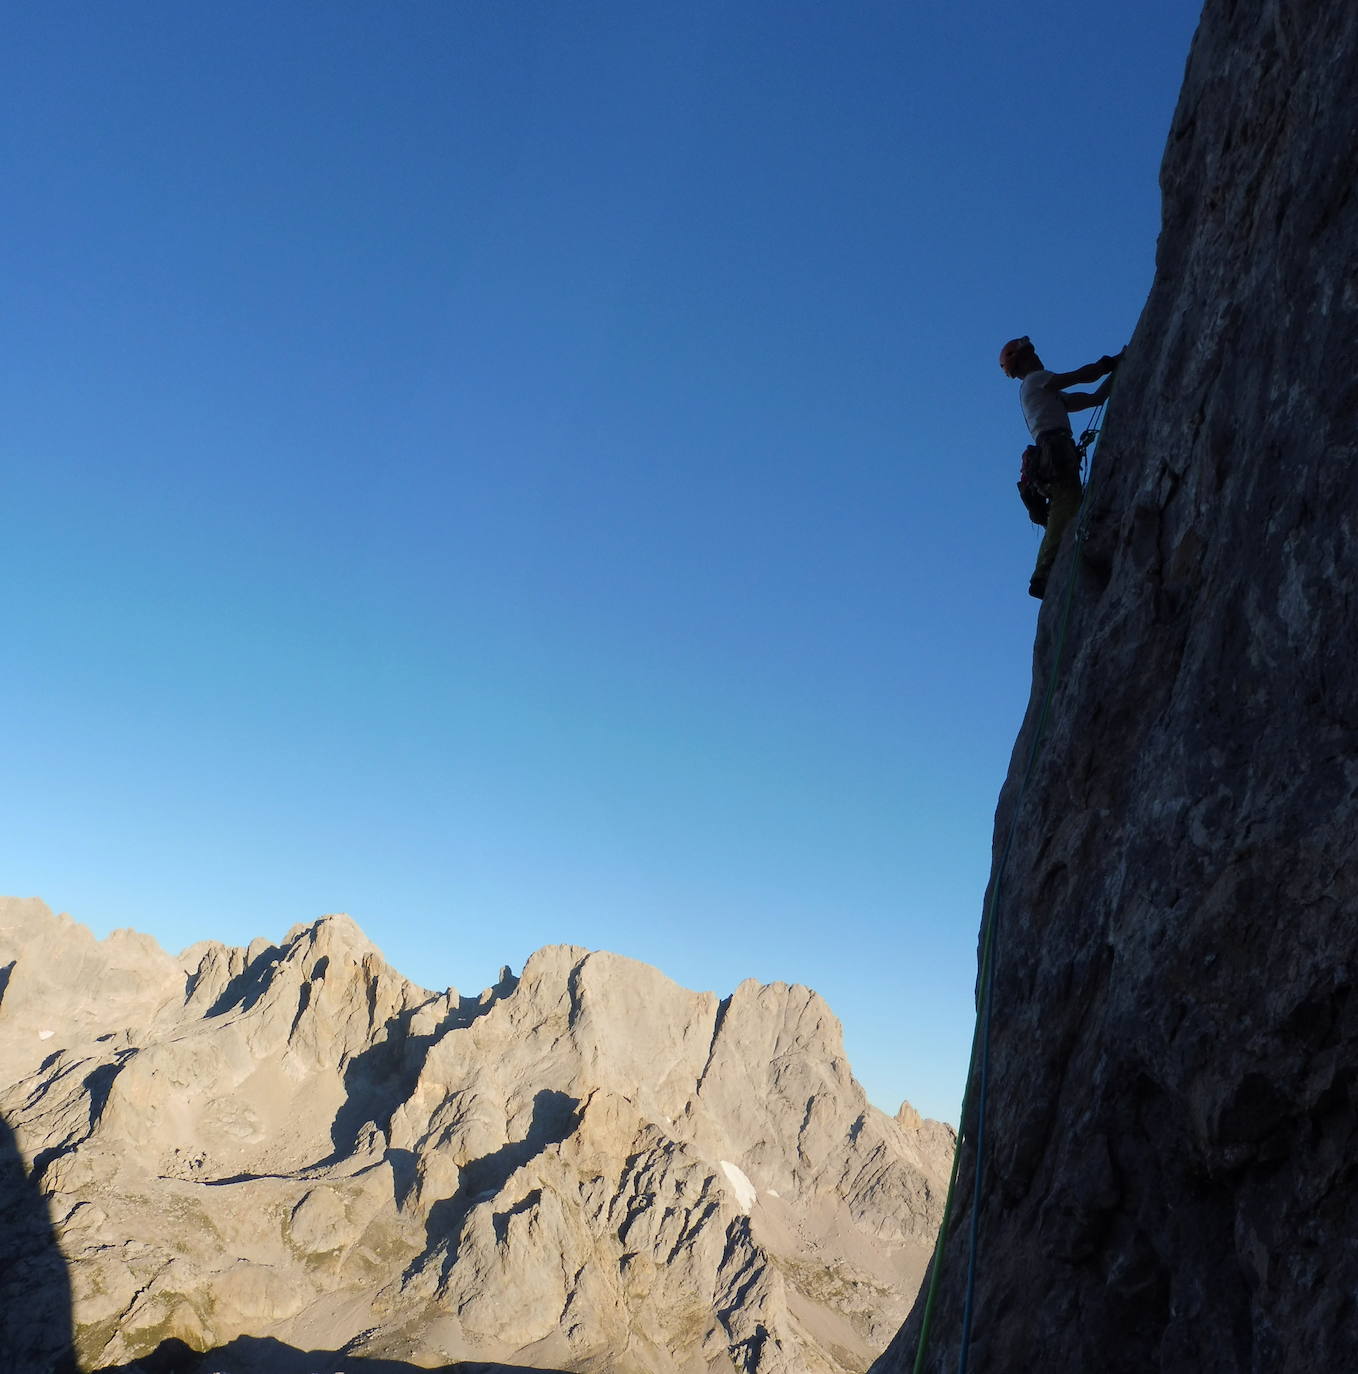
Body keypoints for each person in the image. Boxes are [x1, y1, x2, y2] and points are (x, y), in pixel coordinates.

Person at [999, 336, 1121, 598]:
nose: (1037, 356)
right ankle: (1043, 573)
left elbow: (1093, 399)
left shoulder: (1044, 391)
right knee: (1065, 503)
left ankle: (1051, 566)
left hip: (1055, 449)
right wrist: (1107, 365)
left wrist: (1116, 373)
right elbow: (1078, 377)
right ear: (1023, 361)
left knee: (1069, 503)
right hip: (1055, 448)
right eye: (1031, 353)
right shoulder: (1036, 380)